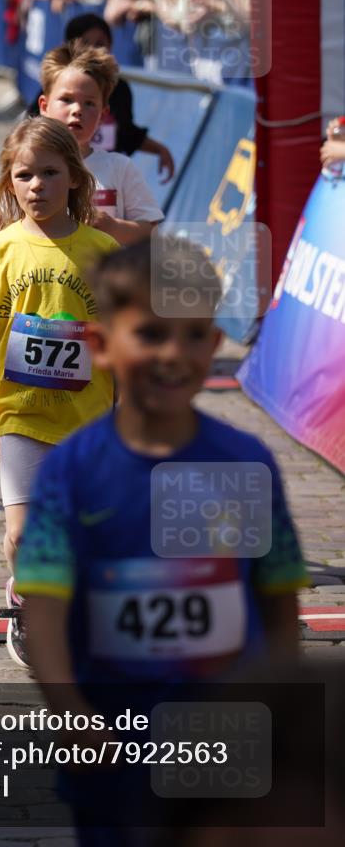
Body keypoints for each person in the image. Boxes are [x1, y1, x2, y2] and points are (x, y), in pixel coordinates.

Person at [16, 235, 309, 841]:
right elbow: (44, 611)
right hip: (109, 749)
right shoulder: (72, 472)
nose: (175, 353)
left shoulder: (244, 463)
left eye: (194, 333)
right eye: (151, 333)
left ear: (216, 343)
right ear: (99, 345)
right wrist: (72, 716)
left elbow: (278, 599)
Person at [0, 117, 118, 666]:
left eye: (50, 173)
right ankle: (24, 595)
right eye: (24, 175)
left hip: (89, 418)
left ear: (74, 178)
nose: (37, 186)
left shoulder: (101, 252)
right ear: (9, 183)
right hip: (21, 415)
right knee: (24, 533)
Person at [38, 42, 164, 244]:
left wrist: (113, 227)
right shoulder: (27, 166)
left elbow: (152, 231)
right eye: (67, 99)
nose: (77, 110)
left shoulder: (120, 168)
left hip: (103, 274)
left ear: (103, 114)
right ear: (44, 106)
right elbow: (2, 231)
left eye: (89, 103)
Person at [29, 14, 175, 175]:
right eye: (67, 100)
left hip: (104, 180)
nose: (92, 50)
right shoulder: (57, 85)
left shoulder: (119, 89)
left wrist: (159, 149)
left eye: (100, 44)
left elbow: (127, 134)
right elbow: (30, 129)